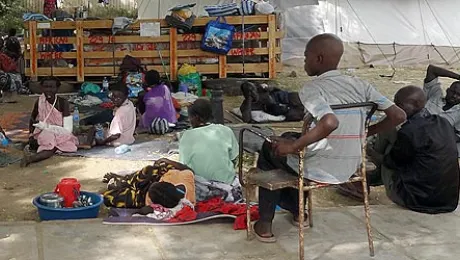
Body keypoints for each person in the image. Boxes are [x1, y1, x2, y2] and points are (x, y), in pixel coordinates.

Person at [252, 33, 406, 243]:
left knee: (270, 148)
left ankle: (265, 225)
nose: (304, 61)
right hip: (351, 166)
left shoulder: (313, 89)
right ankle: (300, 214)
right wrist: (365, 132)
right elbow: (399, 115)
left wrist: (294, 146)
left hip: (318, 168)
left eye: (306, 57)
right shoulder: (361, 85)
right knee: (289, 137)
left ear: (319, 59)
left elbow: (329, 122)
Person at [370, 86, 459, 213]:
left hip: (416, 201)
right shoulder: (443, 123)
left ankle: (370, 177)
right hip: (447, 201)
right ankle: (374, 175)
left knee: (388, 127)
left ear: (416, 104)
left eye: (399, 105)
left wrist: (371, 153)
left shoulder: (409, 132)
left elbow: (391, 163)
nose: (396, 108)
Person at [179, 98, 243, 202]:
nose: (190, 121)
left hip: (204, 188)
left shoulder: (187, 135)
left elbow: (184, 165)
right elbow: (234, 158)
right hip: (229, 185)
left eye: (190, 118)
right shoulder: (226, 130)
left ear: (196, 117)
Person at [22, 77, 78, 167]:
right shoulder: (40, 101)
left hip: (60, 132)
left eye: (52, 87)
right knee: (48, 141)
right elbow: (32, 118)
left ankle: (31, 158)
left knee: (53, 146)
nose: (48, 90)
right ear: (41, 88)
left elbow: (68, 127)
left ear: (57, 88)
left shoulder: (63, 102)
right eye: (46, 87)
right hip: (44, 131)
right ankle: (34, 153)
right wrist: (31, 134)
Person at [423, 65, 460, 151]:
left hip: (435, 145)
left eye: (459, 95)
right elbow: (432, 69)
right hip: (415, 132)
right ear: (447, 90)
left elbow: (457, 136)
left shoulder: (458, 113)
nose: (454, 96)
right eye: (453, 92)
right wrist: (458, 77)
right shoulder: (435, 94)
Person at [88, 82, 136, 147]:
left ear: (125, 96)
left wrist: (103, 142)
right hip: (129, 139)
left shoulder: (120, 113)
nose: (115, 100)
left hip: (118, 142)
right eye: (113, 96)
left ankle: (87, 144)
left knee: (93, 129)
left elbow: (116, 135)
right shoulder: (129, 104)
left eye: (119, 98)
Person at [240, 81, 304, 122]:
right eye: (249, 91)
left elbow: (278, 90)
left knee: (295, 97)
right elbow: (246, 119)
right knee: (296, 114)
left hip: (284, 97)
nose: (253, 92)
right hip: (281, 109)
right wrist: (249, 99)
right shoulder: (247, 104)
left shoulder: (261, 89)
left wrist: (272, 88)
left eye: (253, 89)